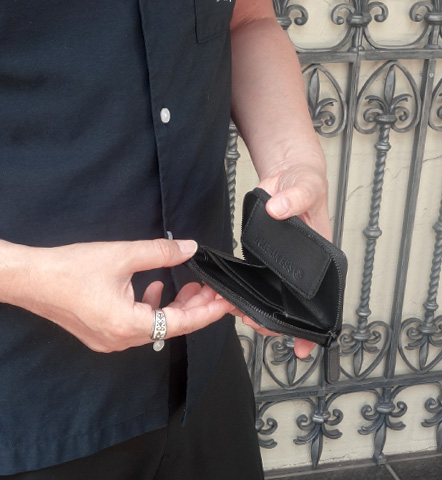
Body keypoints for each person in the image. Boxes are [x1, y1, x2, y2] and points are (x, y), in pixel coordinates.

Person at [0, 0, 330, 478]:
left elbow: (248, 20)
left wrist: (293, 159)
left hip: (204, 372)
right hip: (28, 407)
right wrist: (25, 277)